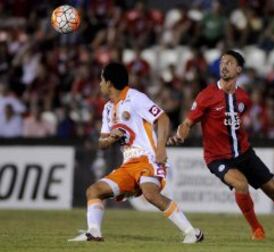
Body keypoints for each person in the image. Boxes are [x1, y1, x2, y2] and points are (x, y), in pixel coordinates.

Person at [168, 50, 274, 241]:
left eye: (229, 62)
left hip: (244, 153)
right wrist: (180, 135)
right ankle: (257, 230)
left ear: (238, 69)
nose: (224, 66)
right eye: (222, 62)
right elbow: (187, 123)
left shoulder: (244, 98)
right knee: (241, 184)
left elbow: (237, 123)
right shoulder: (206, 95)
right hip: (217, 157)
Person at [69, 62, 204, 243]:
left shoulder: (135, 98)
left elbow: (163, 118)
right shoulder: (108, 108)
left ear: (109, 83)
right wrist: (110, 139)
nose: (100, 84)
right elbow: (102, 143)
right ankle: (94, 232)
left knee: (150, 194)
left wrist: (161, 148)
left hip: (148, 159)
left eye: (101, 80)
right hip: (128, 164)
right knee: (94, 191)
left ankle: (192, 232)